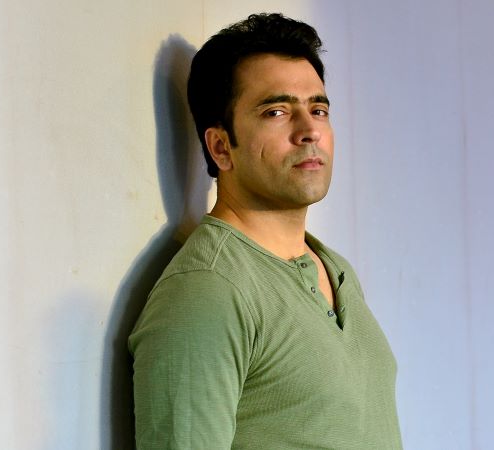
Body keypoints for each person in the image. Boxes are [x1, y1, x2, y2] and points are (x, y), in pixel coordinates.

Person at [128, 13, 402, 449]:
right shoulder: (208, 290)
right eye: (277, 112)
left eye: (318, 109)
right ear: (221, 147)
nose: (309, 131)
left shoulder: (334, 269)